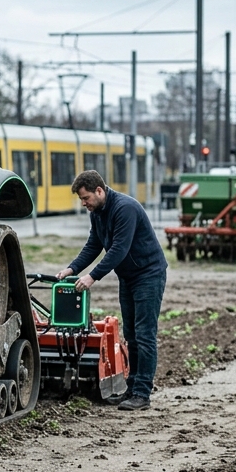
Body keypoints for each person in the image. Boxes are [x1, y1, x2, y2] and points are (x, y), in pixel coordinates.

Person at [56, 170, 167, 411]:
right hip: (128, 277)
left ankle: (142, 393)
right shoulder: (97, 212)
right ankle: (132, 388)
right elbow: (94, 244)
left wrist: (92, 276)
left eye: (85, 198)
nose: (84, 204)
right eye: (81, 200)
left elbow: (119, 249)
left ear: (99, 190)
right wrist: (72, 269)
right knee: (132, 334)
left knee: (145, 333)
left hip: (148, 274)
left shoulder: (124, 208)